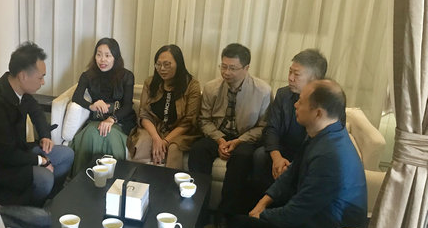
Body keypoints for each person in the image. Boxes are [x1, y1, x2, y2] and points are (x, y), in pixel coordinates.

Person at [211, 80, 367, 228]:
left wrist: (261, 216)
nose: (295, 105)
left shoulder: (330, 157)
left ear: (318, 112)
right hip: (312, 215)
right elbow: (292, 173)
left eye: (301, 102)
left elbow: (296, 213)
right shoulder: (324, 133)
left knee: (242, 226)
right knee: (249, 194)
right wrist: (263, 202)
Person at [0, 42, 74, 206]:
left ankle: (48, 201)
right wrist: (42, 161)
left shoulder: (18, 90)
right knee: (44, 177)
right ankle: (32, 208)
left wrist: (45, 136)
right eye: (40, 77)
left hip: (17, 152)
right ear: (23, 76)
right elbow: (8, 155)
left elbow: (36, 111)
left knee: (66, 155)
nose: (43, 82)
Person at [188, 43, 271, 218]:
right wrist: (220, 140)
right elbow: (204, 120)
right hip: (217, 134)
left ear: (246, 68)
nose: (226, 72)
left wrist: (239, 141)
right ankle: (198, 209)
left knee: (242, 157)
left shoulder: (263, 91)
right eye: (223, 66)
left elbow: (263, 127)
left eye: (232, 68)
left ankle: (226, 214)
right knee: (198, 150)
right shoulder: (211, 88)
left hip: (245, 137)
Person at [249, 49, 327, 197]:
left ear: (314, 79)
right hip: (283, 150)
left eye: (296, 74)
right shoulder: (283, 94)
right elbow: (271, 128)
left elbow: (322, 142)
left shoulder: (326, 103)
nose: (290, 78)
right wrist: (277, 157)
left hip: (307, 155)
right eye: (290, 72)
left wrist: (294, 165)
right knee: (260, 156)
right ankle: (260, 204)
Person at [127, 45, 201, 169]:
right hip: (154, 129)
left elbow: (188, 121)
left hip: (180, 132)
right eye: (158, 64)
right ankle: (139, 178)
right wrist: (156, 138)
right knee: (143, 142)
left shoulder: (192, 85)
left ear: (178, 64)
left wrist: (165, 141)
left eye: (167, 64)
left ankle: (168, 181)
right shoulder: (150, 82)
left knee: (174, 147)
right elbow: (144, 115)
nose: (162, 69)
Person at [70, 38, 137, 174]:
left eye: (107, 55)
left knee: (110, 135)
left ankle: (116, 178)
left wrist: (112, 119)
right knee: (90, 134)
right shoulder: (87, 75)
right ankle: (82, 179)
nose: (102, 60)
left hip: (120, 120)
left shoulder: (127, 76)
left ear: (115, 57)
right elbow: (76, 97)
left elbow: (128, 106)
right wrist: (91, 105)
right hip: (97, 119)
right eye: (99, 54)